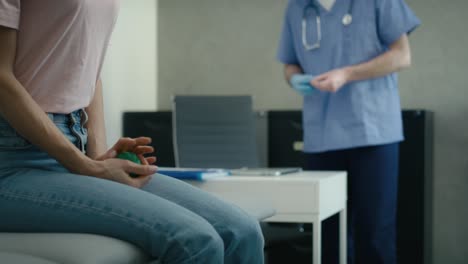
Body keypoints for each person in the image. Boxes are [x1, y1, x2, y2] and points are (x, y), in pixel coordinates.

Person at [0, 1, 264, 264]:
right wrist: (84, 166)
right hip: (12, 164)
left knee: (242, 231)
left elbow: (90, 71)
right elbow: (1, 79)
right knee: (195, 241)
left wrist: (96, 157)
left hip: (72, 149)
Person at [277, 0, 420, 263]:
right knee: (328, 237)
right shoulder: (298, 7)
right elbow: (290, 64)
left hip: (373, 132)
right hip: (321, 136)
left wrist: (346, 74)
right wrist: (295, 79)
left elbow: (402, 55)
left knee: (374, 235)